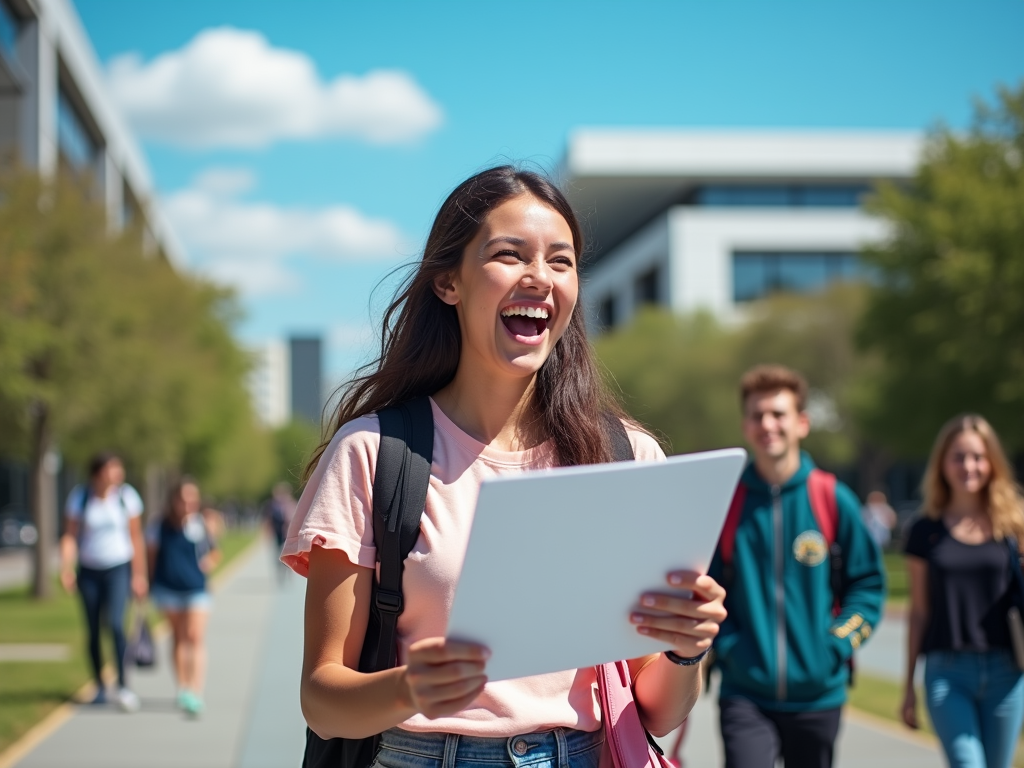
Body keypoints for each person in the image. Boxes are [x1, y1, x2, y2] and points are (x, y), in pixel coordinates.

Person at [281, 166, 728, 768]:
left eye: (561, 261)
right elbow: (321, 698)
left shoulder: (627, 457)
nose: (539, 278)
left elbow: (658, 713)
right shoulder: (371, 454)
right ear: (449, 282)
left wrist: (684, 651)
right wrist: (411, 687)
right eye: (509, 255)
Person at [708, 365, 885, 768]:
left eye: (778, 414)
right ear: (745, 425)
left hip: (820, 696)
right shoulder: (726, 504)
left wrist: (835, 645)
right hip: (745, 693)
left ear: (802, 423)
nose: (767, 424)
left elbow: (868, 585)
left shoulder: (832, 498)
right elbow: (704, 589)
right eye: (757, 415)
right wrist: (731, 647)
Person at [901, 414, 1024, 768]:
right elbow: (919, 611)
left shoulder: (1014, 527)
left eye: (978, 457)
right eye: (958, 457)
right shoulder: (925, 531)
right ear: (942, 464)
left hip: (1007, 672)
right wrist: (909, 686)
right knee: (968, 764)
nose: (968, 466)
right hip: (948, 672)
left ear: (992, 463)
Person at [60, 452, 147, 712]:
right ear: (98, 473)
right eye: (112, 469)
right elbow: (70, 536)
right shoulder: (81, 497)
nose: (118, 474)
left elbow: (136, 537)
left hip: (118, 568)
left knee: (117, 625)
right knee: (93, 629)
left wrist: (140, 575)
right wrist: (66, 568)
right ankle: (99, 685)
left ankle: (122, 685)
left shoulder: (126, 496)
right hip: (89, 570)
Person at [147, 477, 220, 716]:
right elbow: (151, 556)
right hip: (168, 589)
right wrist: (147, 583)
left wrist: (208, 562)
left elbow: (214, 552)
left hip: (196, 589)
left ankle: (196, 691)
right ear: (173, 500)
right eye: (183, 498)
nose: (187, 503)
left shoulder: (200, 525)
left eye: (192, 499)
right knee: (178, 638)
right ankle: (182, 687)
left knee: (194, 636)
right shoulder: (159, 525)